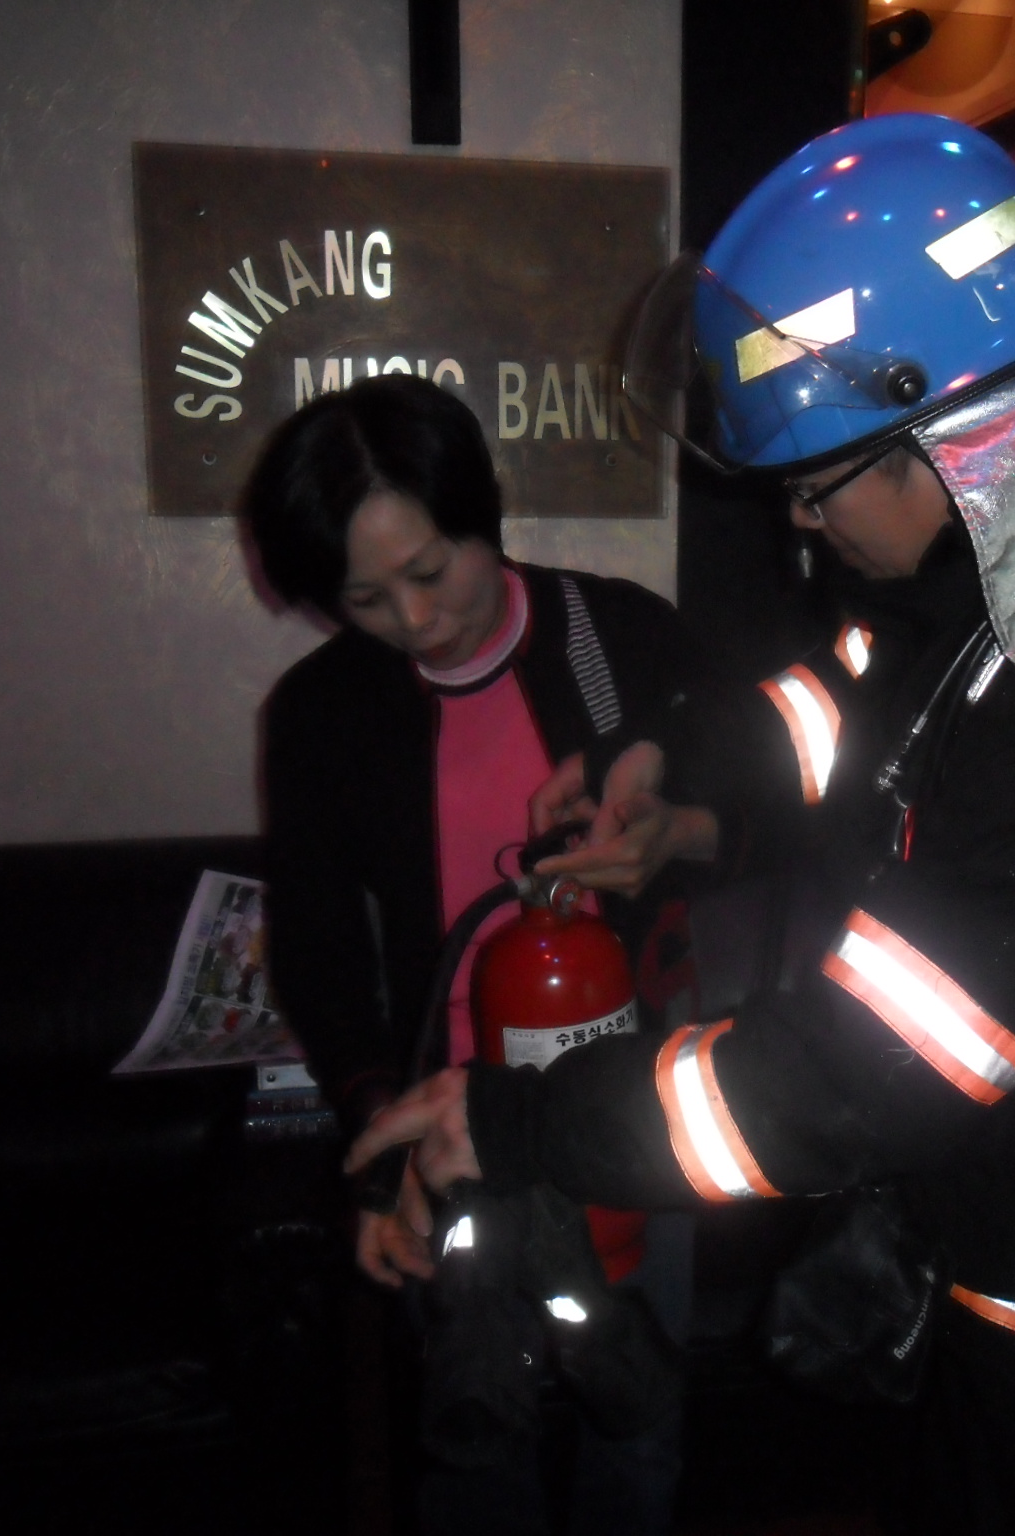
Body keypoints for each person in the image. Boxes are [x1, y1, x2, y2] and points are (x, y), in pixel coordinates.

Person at [349, 115, 1015, 1535]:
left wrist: (524, 1122)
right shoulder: (998, 586)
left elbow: (858, 1080)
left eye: (814, 484)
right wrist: (664, 769)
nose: (800, 525)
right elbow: (849, 713)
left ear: (948, 434)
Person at [242, 374, 717, 1535]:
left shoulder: (619, 641)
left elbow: (748, 831)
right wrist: (379, 1151)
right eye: (364, 599)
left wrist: (673, 838)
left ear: (479, 516)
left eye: (429, 570)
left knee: (635, 1424)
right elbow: (319, 949)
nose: (414, 621)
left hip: (627, 1109)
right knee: (472, 1443)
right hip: (448, 1127)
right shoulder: (320, 714)